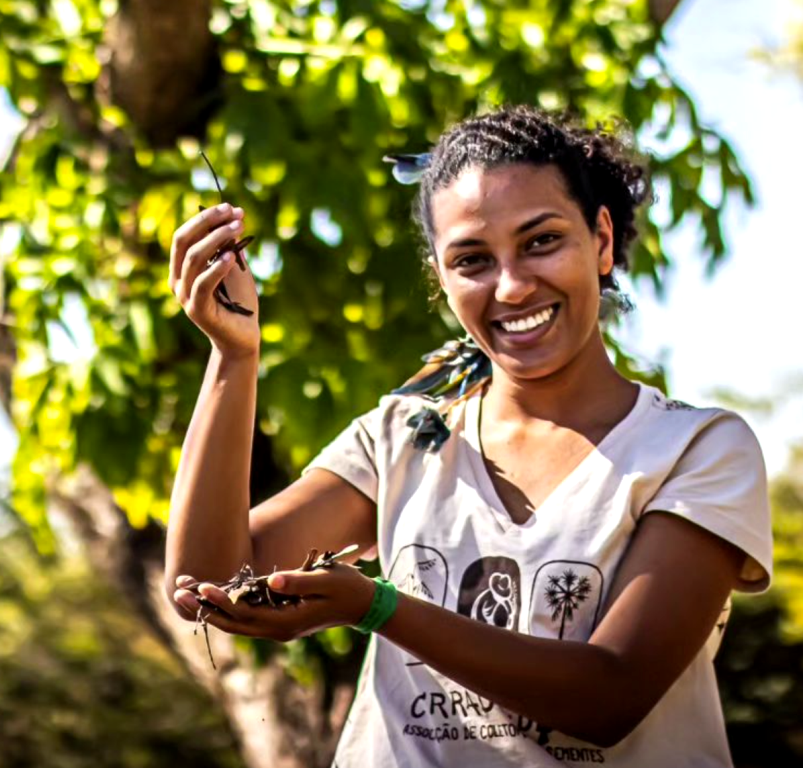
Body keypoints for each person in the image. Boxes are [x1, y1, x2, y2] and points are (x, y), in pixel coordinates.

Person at [165, 106, 773, 767]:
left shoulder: (697, 451)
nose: (511, 287)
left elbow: (611, 695)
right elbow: (214, 578)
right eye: (472, 260)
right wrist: (233, 357)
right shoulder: (405, 438)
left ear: (601, 240)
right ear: (440, 276)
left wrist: (378, 609)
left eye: (541, 241)